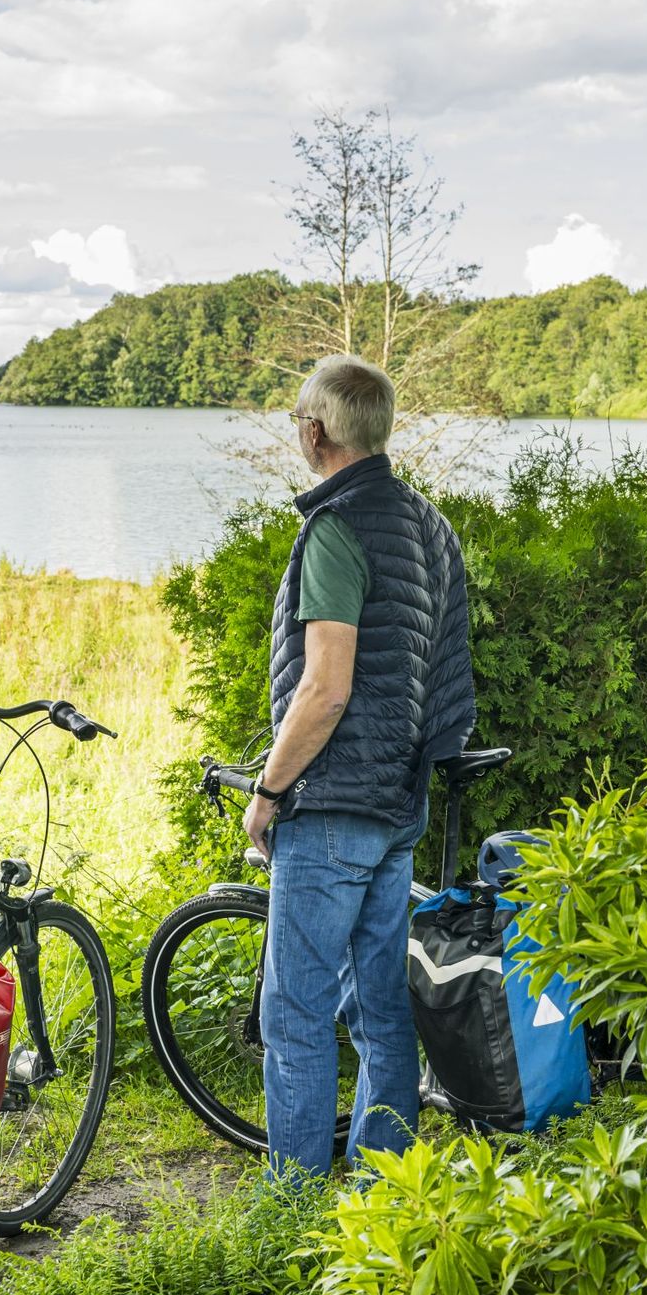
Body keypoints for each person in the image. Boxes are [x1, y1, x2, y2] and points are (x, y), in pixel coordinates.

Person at [242, 353, 475, 1182]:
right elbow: (433, 672)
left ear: (316, 431)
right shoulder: (427, 523)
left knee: (296, 1014)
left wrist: (268, 791)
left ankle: (293, 1209)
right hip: (396, 803)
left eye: (298, 418)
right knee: (380, 1010)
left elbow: (326, 686)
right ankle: (384, 1190)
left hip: (334, 802)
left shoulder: (336, 527)